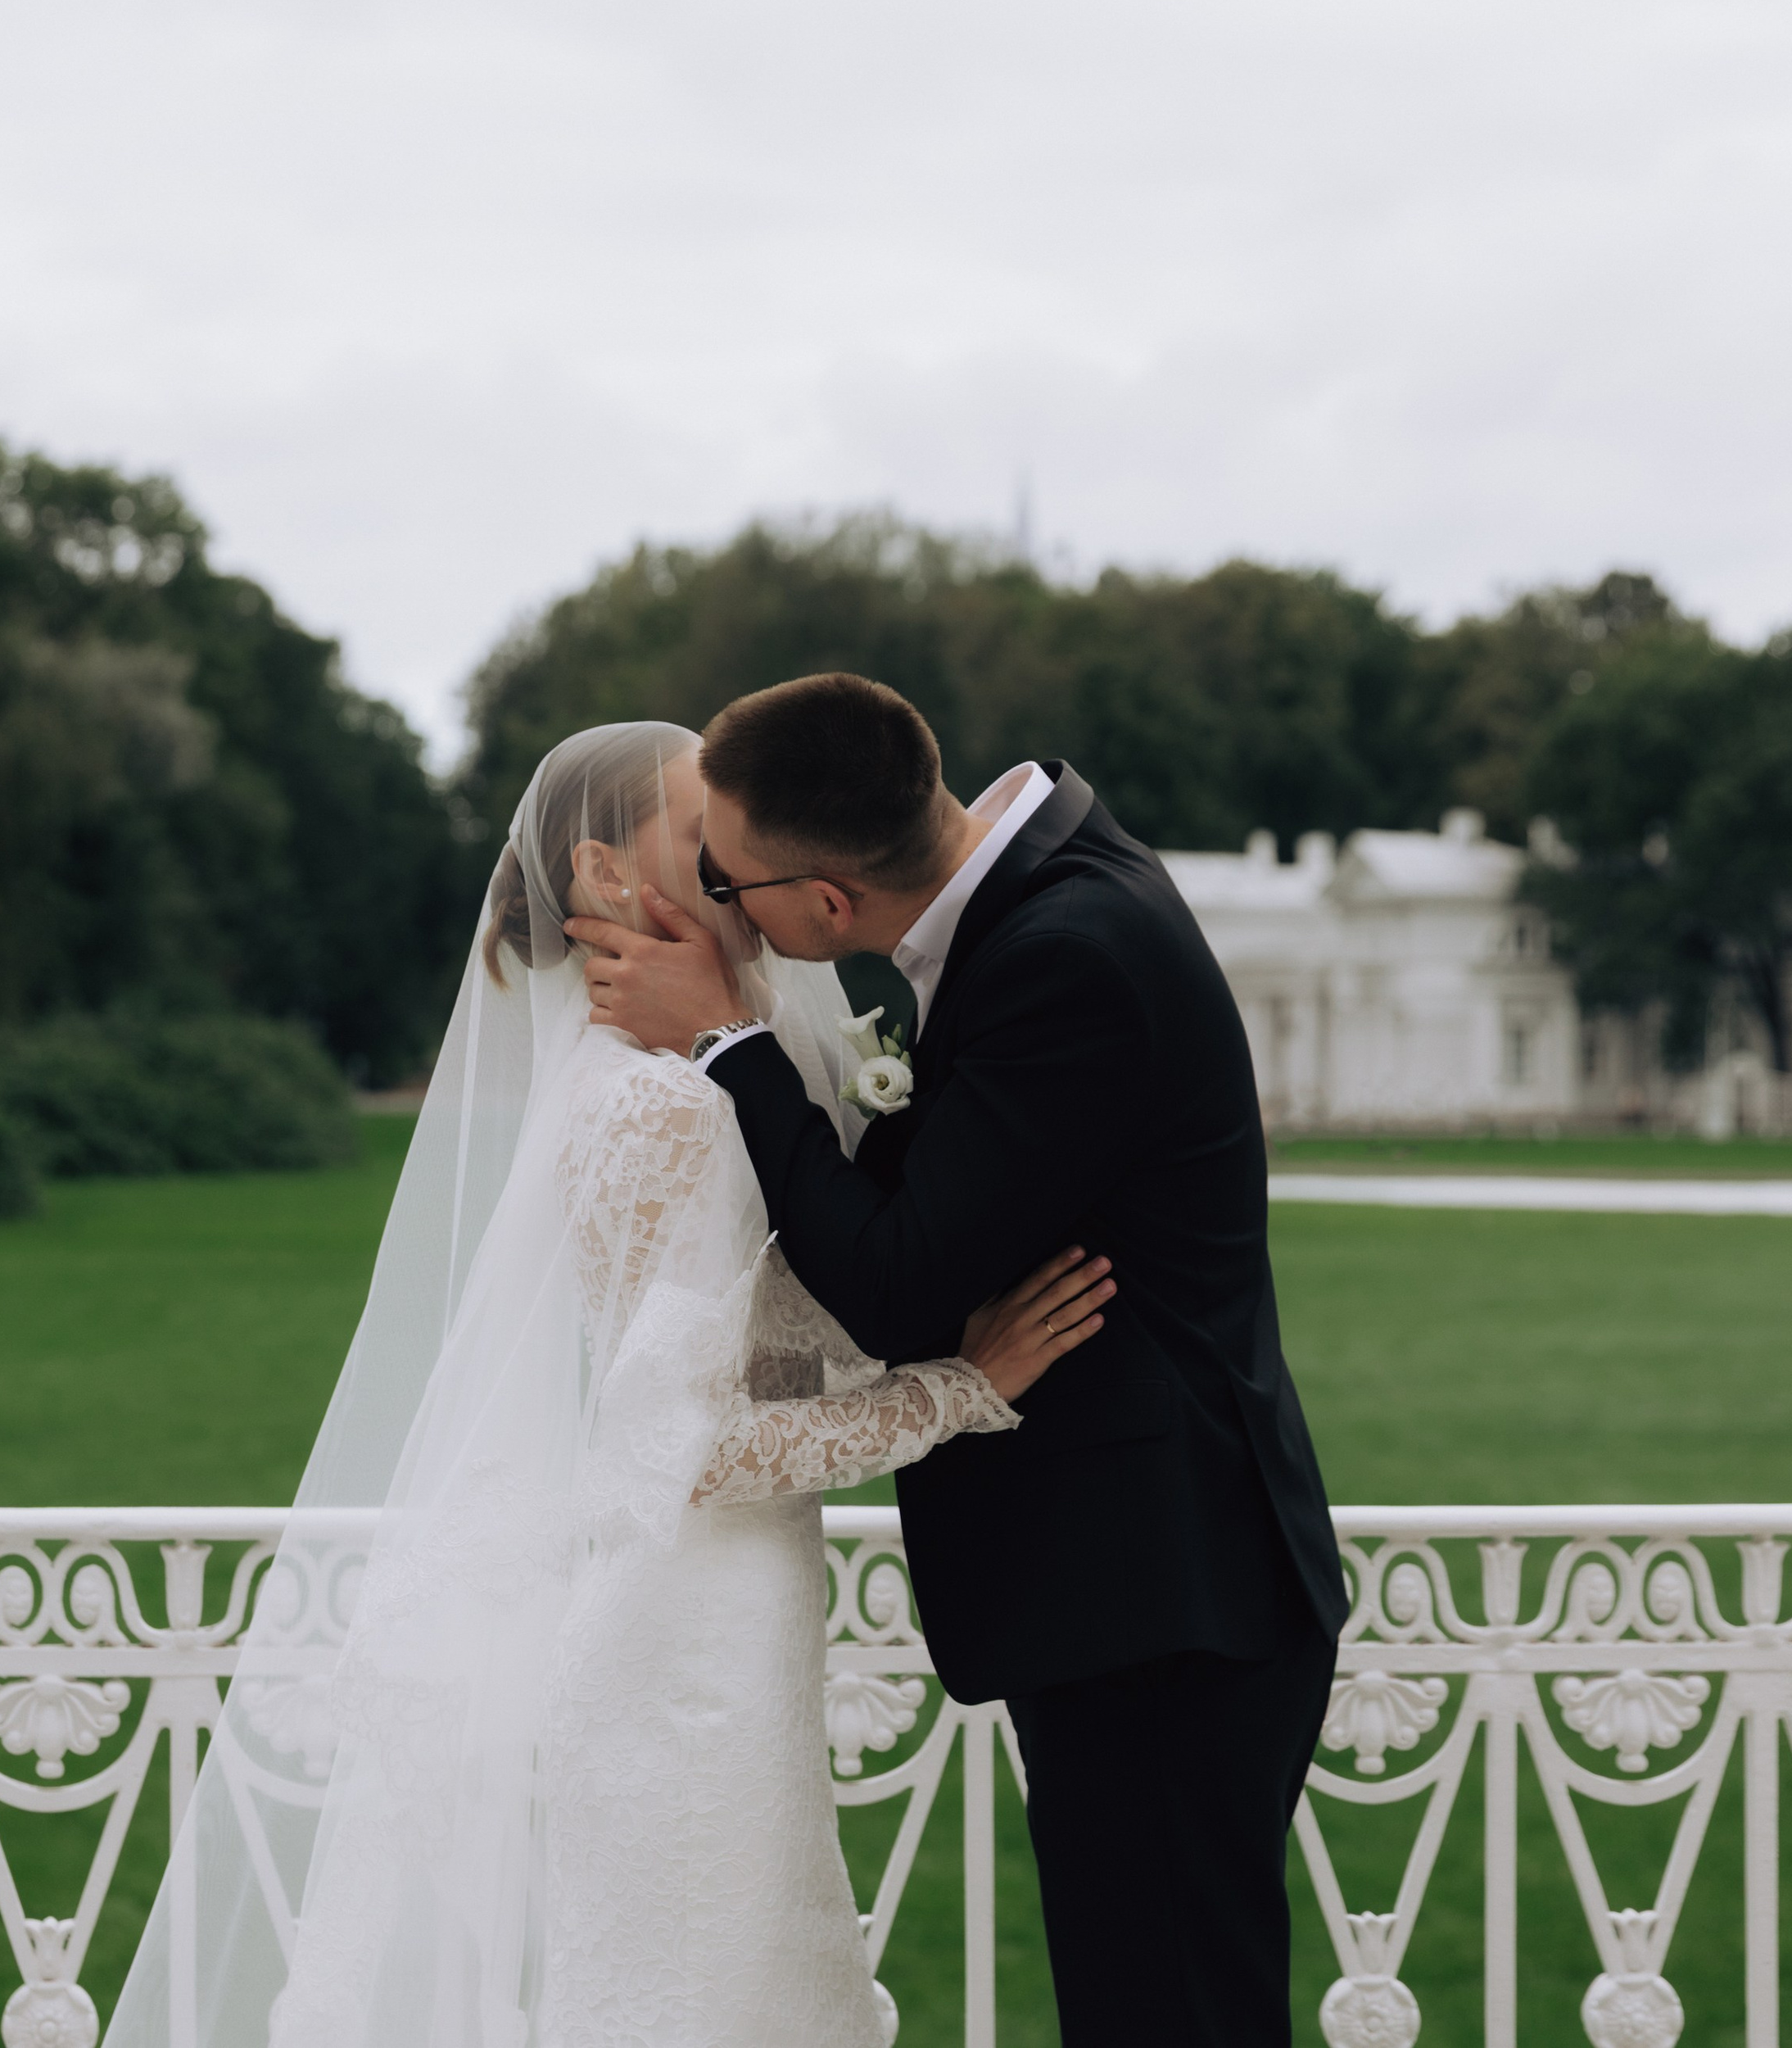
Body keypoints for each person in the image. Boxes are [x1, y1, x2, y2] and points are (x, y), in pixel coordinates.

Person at [101, 720, 1111, 2048]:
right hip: (682, 1627)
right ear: (607, 870)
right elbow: (678, 1448)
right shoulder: (660, 1109)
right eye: (707, 839)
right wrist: (962, 1389)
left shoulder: (696, 1077)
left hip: (731, 1610)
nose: (743, 863)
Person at [565, 674, 1346, 2048]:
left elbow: (897, 1283)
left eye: (730, 884)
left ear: (823, 906)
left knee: (1169, 2015)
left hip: (1163, 1597)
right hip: (1150, 1584)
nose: (719, 902)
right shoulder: (1043, 869)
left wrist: (731, 1042)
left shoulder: (1067, 952)